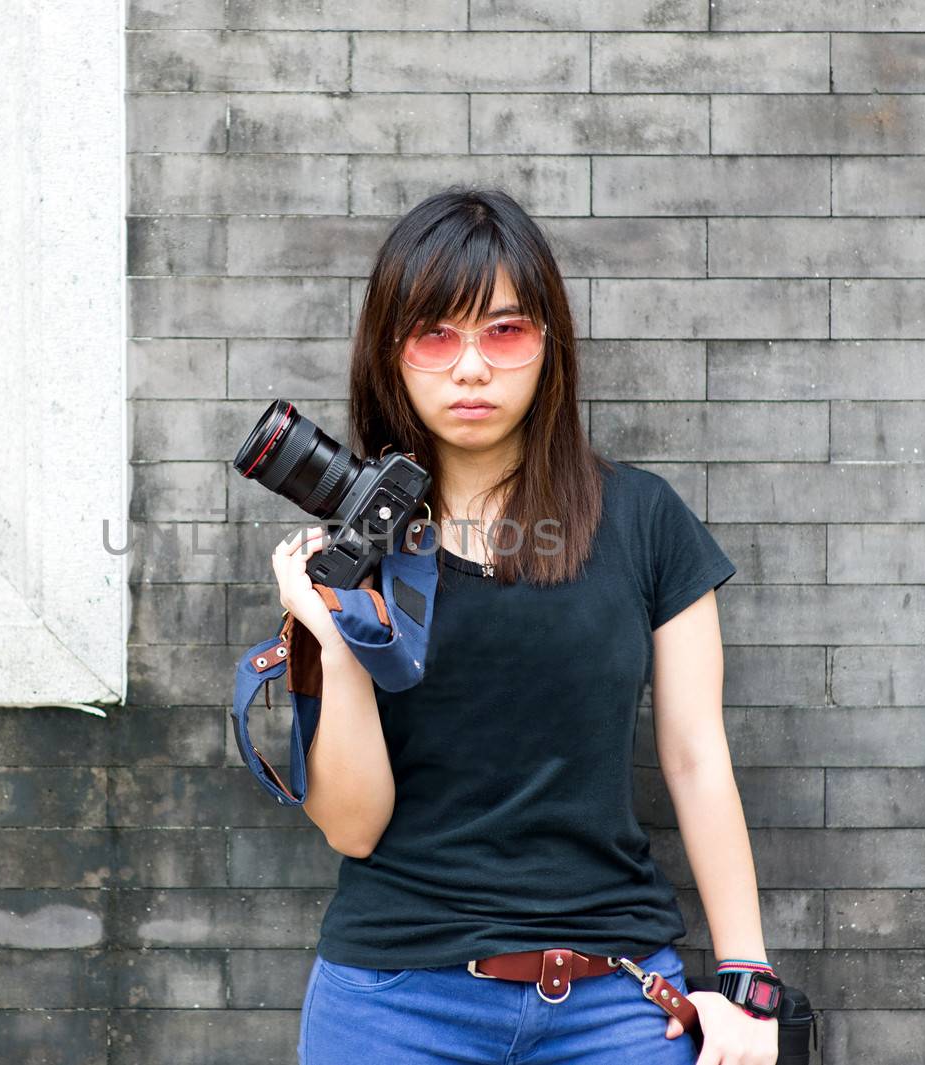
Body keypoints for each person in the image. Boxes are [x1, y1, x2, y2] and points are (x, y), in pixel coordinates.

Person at [271, 188, 780, 1065]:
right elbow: (354, 826)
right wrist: (329, 630)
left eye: (504, 332)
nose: (471, 368)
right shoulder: (356, 547)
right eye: (436, 334)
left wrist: (746, 983)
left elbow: (696, 757)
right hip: (395, 1008)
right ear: (391, 354)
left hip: (618, 1005)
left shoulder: (644, 519)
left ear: (550, 344)